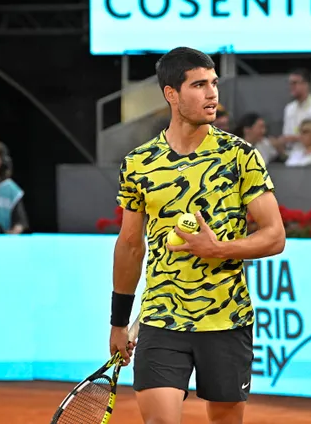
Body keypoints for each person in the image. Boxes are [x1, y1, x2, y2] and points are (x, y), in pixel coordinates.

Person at [109, 47, 286, 424]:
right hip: (161, 318)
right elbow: (129, 245)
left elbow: (274, 236)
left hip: (227, 318)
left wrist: (218, 248)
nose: (212, 94)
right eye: (199, 85)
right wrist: (119, 321)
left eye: (214, 84)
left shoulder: (240, 156)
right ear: (171, 94)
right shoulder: (139, 163)